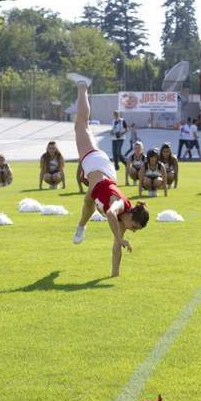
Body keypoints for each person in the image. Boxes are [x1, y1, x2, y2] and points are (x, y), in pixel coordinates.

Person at [67, 72, 149, 277]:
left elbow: (115, 248)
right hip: (97, 165)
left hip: (101, 175)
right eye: (134, 227)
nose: (131, 230)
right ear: (130, 216)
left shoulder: (122, 222)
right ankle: (83, 85)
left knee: (88, 199)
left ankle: (81, 226)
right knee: (81, 125)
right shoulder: (120, 207)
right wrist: (121, 239)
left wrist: (114, 274)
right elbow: (111, 213)